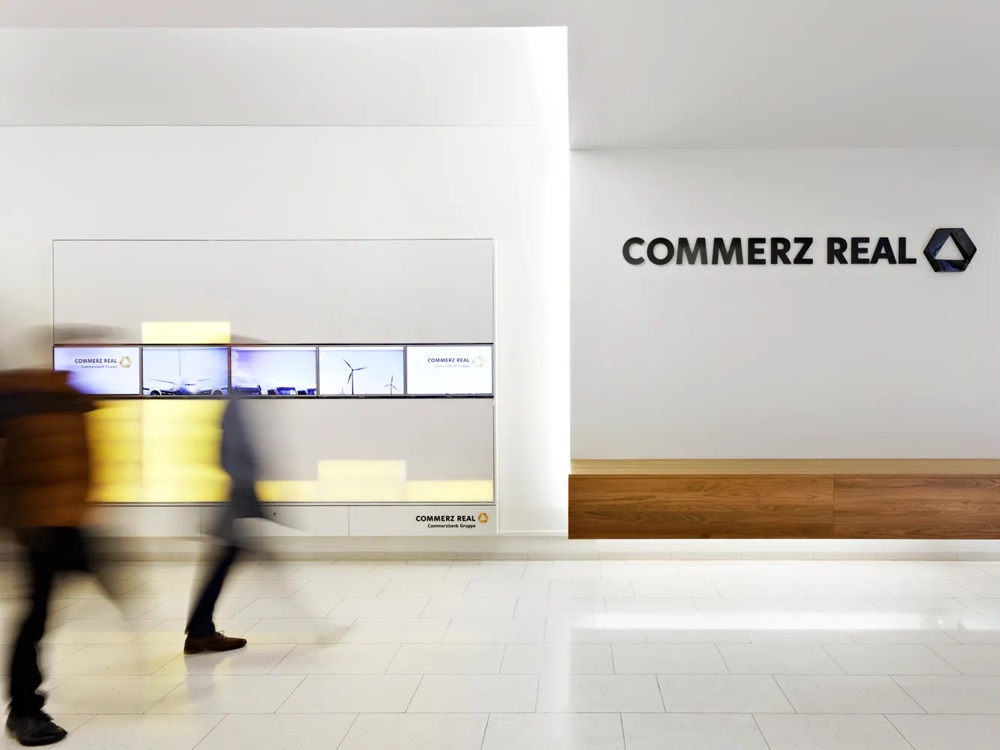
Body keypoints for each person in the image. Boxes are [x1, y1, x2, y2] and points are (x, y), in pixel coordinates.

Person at [0, 368, 97, 746]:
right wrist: (24, 524)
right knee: (36, 615)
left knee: (40, 613)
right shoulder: (33, 402)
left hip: (64, 522)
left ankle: (26, 705)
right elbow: (17, 471)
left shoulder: (66, 400)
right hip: (42, 527)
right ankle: (24, 709)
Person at [183, 393, 262, 654]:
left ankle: (200, 630)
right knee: (225, 559)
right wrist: (247, 490)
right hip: (239, 495)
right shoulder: (238, 402)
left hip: (239, 494)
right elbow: (236, 453)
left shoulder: (239, 402)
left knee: (225, 559)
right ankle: (200, 631)